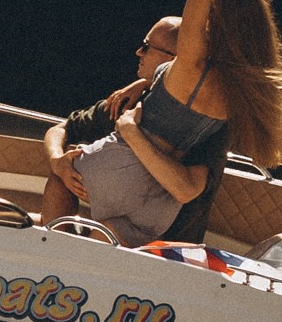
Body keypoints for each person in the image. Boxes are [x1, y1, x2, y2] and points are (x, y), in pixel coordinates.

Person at [40, 0, 282, 245]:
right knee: (111, 237)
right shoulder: (244, 90)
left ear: (216, 19)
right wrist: (144, 86)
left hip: (126, 165)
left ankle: (50, 259)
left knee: (60, 179)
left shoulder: (193, 64)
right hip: (161, 205)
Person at [39, 14, 179, 223]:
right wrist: (57, 161)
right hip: (107, 222)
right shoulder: (125, 101)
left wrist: (130, 129)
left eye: (147, 47)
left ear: (172, 60)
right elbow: (61, 129)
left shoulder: (195, 120)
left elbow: (188, 189)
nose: (138, 52)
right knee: (5, 217)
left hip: (155, 237)